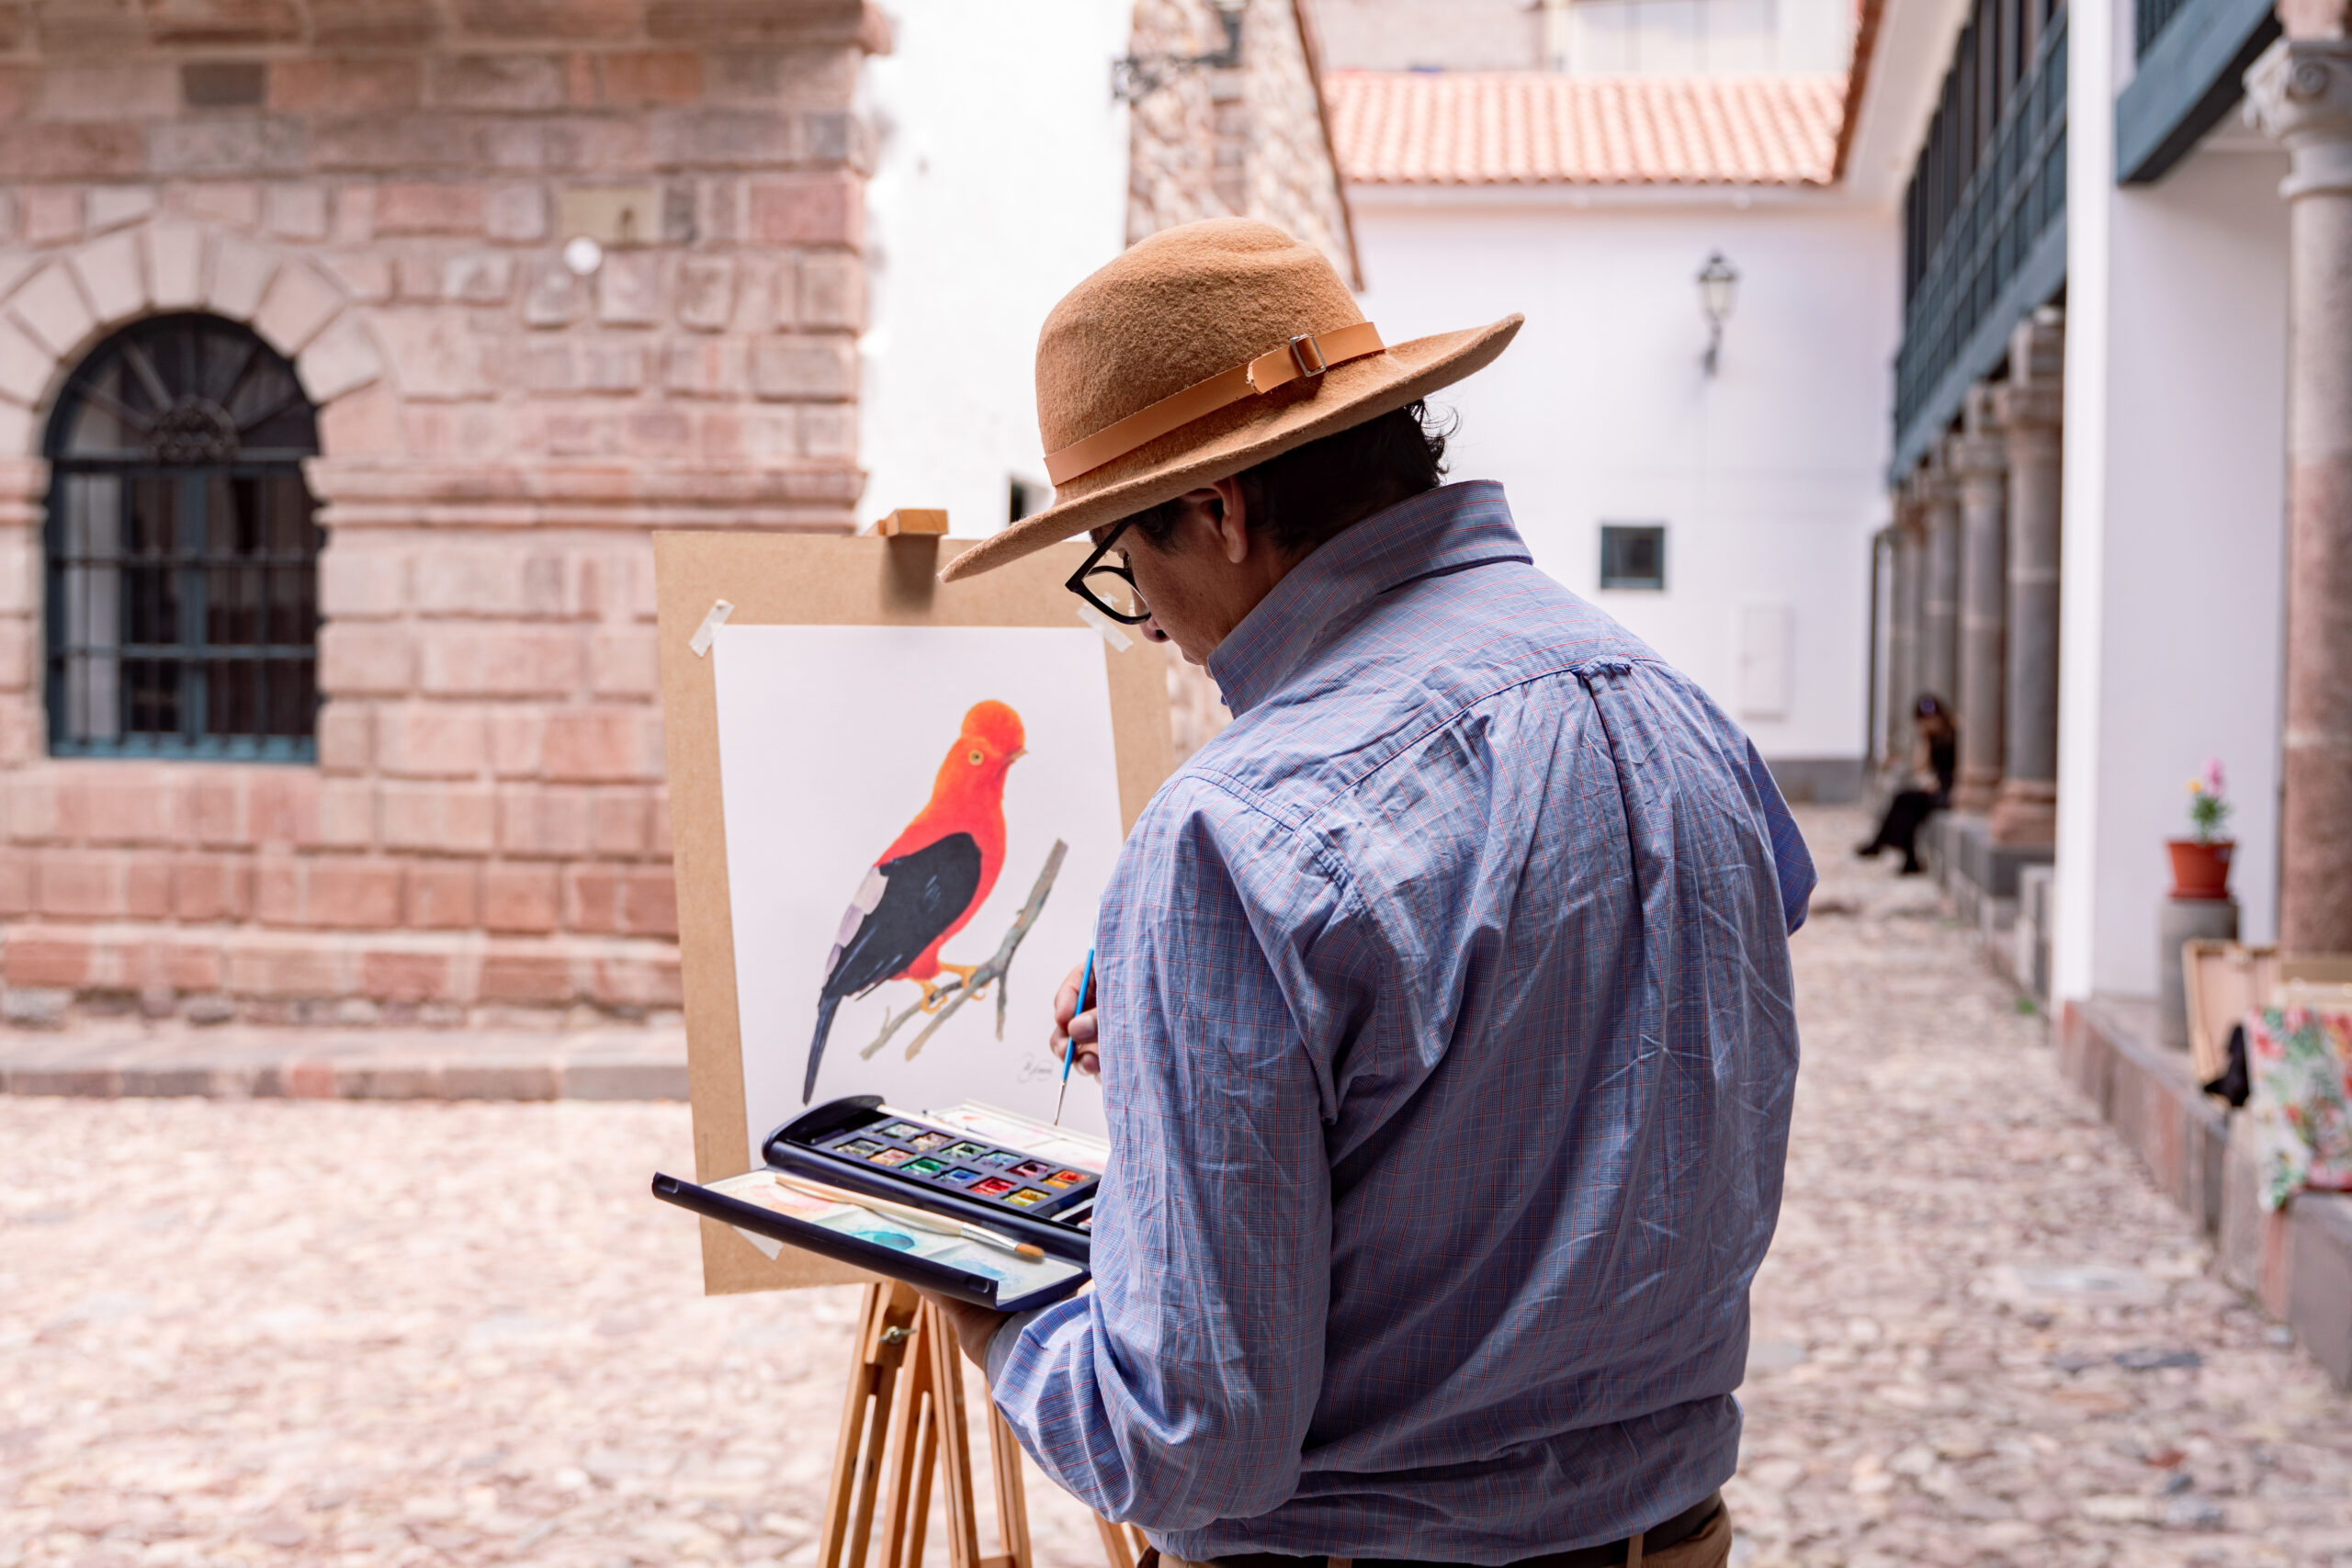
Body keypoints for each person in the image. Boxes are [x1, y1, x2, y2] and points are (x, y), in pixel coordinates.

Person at [920, 219, 1813, 1568]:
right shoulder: (1674, 707)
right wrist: (1241, 1052)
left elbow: (1190, 1439)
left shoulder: (1237, 826)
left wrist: (999, 1307)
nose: (1147, 618)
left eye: (1121, 561)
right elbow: (1594, 1011)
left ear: (1217, 511)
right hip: (1672, 1536)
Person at [1855, 694, 1957, 874]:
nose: (1929, 723)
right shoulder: (1931, 738)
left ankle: (1881, 844)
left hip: (1952, 790)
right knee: (1906, 803)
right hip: (1937, 788)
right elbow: (1920, 767)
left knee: (1906, 801)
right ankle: (1906, 857)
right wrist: (1923, 739)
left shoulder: (1955, 731)